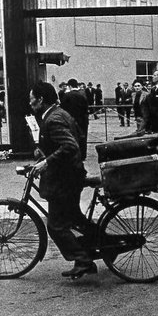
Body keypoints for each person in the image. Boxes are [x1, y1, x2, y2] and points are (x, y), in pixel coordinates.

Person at [29, 81, 97, 279]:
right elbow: (75, 139)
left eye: (32, 99)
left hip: (65, 180)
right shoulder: (58, 113)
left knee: (56, 225)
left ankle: (83, 259)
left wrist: (46, 162)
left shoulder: (53, 119)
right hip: (71, 174)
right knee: (75, 218)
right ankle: (100, 245)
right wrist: (45, 152)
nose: (30, 103)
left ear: (41, 100)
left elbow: (69, 146)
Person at [59, 78, 89, 160]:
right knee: (83, 137)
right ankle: (83, 155)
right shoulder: (82, 95)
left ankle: (74, 154)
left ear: (70, 86)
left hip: (71, 120)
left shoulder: (67, 96)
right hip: (83, 120)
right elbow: (86, 108)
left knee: (72, 137)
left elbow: (63, 109)